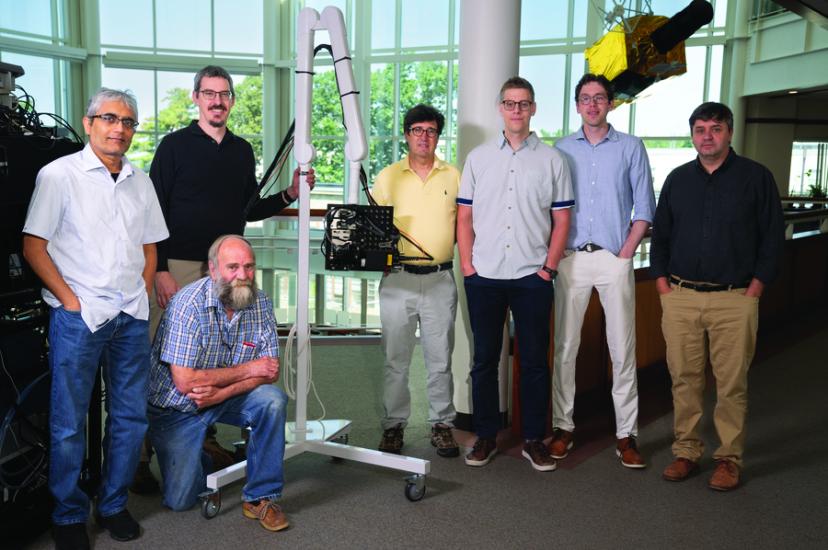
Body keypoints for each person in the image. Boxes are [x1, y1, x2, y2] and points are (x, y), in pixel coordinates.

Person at [133, 65, 313, 492]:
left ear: (231, 100)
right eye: (209, 93)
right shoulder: (174, 146)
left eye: (224, 94)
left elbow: (246, 208)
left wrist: (289, 193)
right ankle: (139, 455)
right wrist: (158, 269)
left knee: (218, 356)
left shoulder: (241, 150)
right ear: (196, 97)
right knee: (160, 361)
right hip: (178, 266)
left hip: (225, 272)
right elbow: (152, 212)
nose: (217, 101)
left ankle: (205, 439)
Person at [22, 88, 169, 550]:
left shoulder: (139, 180)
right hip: (79, 316)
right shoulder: (58, 175)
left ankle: (111, 505)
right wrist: (69, 300)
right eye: (109, 118)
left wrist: (143, 289)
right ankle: (67, 514)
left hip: (128, 314)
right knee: (68, 421)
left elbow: (150, 244)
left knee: (129, 417)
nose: (119, 128)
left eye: (128, 122)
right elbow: (34, 245)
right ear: (88, 124)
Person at [650, 102, 784, 491]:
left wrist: (755, 288)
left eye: (716, 128)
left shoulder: (756, 178)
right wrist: (662, 285)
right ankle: (687, 451)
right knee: (684, 378)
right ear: (692, 134)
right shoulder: (677, 179)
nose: (707, 136)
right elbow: (661, 236)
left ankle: (728, 458)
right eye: (700, 129)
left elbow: (772, 239)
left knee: (731, 384)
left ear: (729, 132)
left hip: (734, 298)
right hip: (680, 296)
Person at [457, 76, 574, 472]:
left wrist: (549, 269)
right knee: (485, 360)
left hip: (531, 277)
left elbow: (562, 220)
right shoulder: (478, 158)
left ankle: (533, 439)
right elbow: (465, 215)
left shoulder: (552, 160)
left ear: (533, 108)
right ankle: (486, 436)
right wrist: (468, 266)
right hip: (485, 276)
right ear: (500, 108)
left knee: (535, 362)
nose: (517, 110)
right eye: (510, 103)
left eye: (523, 104)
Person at [146, 235, 290, 531]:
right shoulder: (187, 304)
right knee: (181, 499)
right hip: (178, 408)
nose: (243, 276)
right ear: (213, 270)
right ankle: (205, 455)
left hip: (217, 398)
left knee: (272, 400)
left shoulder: (260, 302)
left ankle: (260, 497)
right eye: (233, 267)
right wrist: (249, 368)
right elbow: (185, 381)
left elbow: (269, 372)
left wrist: (220, 393)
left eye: (249, 267)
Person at [550, 74, 656, 468]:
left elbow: (644, 207)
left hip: (614, 257)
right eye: (584, 98)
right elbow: (550, 207)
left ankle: (626, 435)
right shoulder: (559, 149)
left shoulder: (630, 147)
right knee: (565, 347)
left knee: (622, 348)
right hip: (571, 259)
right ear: (577, 105)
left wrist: (626, 252)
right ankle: (563, 428)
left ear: (611, 103)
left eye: (599, 98)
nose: (592, 104)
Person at [372, 104, 461, 457]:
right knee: (397, 359)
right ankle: (394, 426)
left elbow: (467, 225)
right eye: (417, 130)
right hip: (398, 280)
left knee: (440, 358)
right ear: (407, 134)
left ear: (438, 136)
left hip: (440, 279)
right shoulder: (388, 176)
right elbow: (374, 228)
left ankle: (442, 425)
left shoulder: (454, 175)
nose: (425, 137)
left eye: (431, 131)